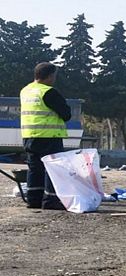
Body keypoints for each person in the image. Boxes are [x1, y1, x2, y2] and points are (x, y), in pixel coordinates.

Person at [20, 62, 72, 210]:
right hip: (49, 136)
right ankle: (51, 200)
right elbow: (66, 114)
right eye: (54, 76)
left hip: (29, 136)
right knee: (52, 168)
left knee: (35, 168)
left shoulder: (25, 91)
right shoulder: (48, 92)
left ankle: (33, 199)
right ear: (50, 76)